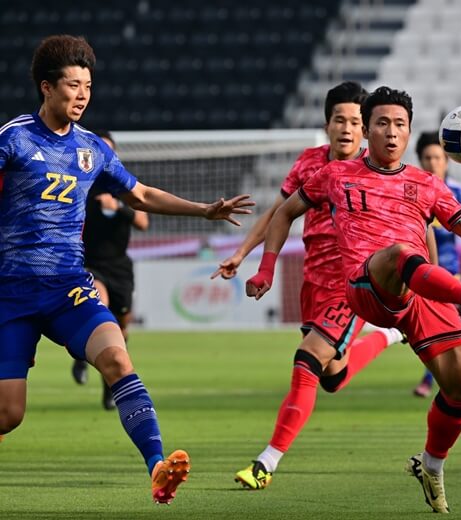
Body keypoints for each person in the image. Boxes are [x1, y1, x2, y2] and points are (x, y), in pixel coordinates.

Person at [245, 86, 461, 513]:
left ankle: (432, 465)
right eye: (382, 123)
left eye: (400, 125)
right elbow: (285, 211)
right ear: (368, 130)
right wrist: (266, 266)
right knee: (399, 254)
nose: (392, 132)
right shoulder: (335, 174)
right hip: (365, 286)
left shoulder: (427, 185)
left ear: (410, 130)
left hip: (416, 291)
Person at [0, 35, 254, 504]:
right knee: (9, 415)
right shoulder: (13, 138)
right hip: (10, 294)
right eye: (73, 85)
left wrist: (204, 209)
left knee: (118, 359)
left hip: (67, 288)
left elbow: (140, 194)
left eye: (88, 86)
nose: (82, 95)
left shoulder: (93, 149)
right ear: (46, 88)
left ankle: (157, 467)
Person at [211, 81, 404, 491]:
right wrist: (246, 255)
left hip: (354, 283)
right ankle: (386, 337)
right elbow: (279, 213)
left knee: (307, 360)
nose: (348, 129)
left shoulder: (375, 170)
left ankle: (266, 462)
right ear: (327, 124)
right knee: (332, 375)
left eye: (356, 121)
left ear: (366, 127)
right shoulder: (310, 163)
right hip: (313, 282)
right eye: (340, 120)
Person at [71, 130, 149, 411]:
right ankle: (80, 357)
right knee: (97, 307)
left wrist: (117, 206)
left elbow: (143, 222)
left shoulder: (121, 184)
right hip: (90, 265)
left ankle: (108, 391)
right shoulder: (80, 183)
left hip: (119, 267)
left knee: (121, 328)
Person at [411, 132, 461, 399]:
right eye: (427, 158)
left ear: (447, 161)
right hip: (414, 269)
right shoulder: (411, 190)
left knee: (443, 325)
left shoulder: (460, 193)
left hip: (448, 271)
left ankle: (432, 381)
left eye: (438, 157)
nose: (433, 163)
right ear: (420, 160)